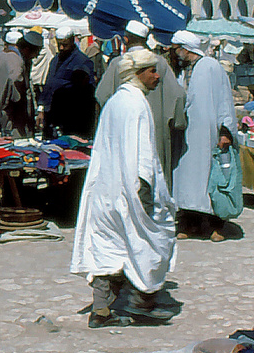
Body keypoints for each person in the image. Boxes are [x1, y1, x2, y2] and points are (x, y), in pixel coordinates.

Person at [70, 47, 178, 328]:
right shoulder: (136, 104)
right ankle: (140, 303)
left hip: (106, 191)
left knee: (108, 249)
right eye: (152, 71)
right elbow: (142, 156)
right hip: (129, 190)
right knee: (148, 243)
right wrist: (145, 196)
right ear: (137, 74)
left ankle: (101, 310)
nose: (157, 76)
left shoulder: (115, 101)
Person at [94, 21, 187, 188]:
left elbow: (102, 95)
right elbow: (178, 95)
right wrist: (176, 124)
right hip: (157, 131)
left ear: (126, 39)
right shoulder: (161, 63)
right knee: (155, 179)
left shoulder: (118, 64)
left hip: (125, 130)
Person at [172, 31, 237, 240]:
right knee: (188, 179)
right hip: (189, 134)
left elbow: (224, 99)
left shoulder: (211, 66)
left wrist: (225, 129)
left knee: (212, 177)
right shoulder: (184, 71)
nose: (176, 53)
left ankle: (217, 224)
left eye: (177, 49)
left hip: (210, 133)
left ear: (185, 48)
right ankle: (190, 223)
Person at [41, 30, 98, 138]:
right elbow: (49, 84)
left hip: (71, 119)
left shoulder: (82, 61)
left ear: (72, 41)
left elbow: (86, 93)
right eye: (59, 44)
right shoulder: (55, 60)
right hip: (52, 116)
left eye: (65, 45)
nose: (61, 48)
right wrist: (42, 108)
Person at [0, 29, 39, 136]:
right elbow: (15, 78)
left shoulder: (2, 55)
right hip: (12, 115)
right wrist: (17, 99)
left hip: (1, 109)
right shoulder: (15, 59)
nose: (36, 56)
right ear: (26, 49)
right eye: (36, 52)